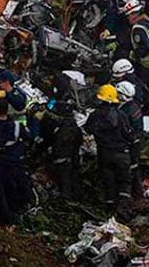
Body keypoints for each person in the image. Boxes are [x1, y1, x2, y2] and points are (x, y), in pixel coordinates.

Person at [84, 85, 133, 219]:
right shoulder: (121, 115)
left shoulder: (95, 115)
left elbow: (87, 130)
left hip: (104, 153)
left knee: (108, 181)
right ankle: (123, 208)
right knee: (124, 181)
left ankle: (110, 209)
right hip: (121, 152)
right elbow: (129, 134)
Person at [38, 73, 83, 201]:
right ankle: (76, 193)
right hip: (73, 142)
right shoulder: (67, 100)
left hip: (64, 144)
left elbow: (48, 136)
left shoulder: (55, 105)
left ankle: (66, 196)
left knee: (64, 169)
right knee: (73, 168)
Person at [124, 0, 149, 92]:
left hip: (148, 65)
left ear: (134, 14)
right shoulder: (147, 23)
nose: (128, 19)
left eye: (129, 15)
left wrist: (134, 54)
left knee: (143, 88)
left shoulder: (138, 29)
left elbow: (146, 46)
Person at [116, 81, 144, 198]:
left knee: (129, 169)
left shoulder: (124, 111)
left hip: (130, 144)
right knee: (134, 167)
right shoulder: (134, 106)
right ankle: (138, 193)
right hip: (136, 141)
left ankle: (131, 195)